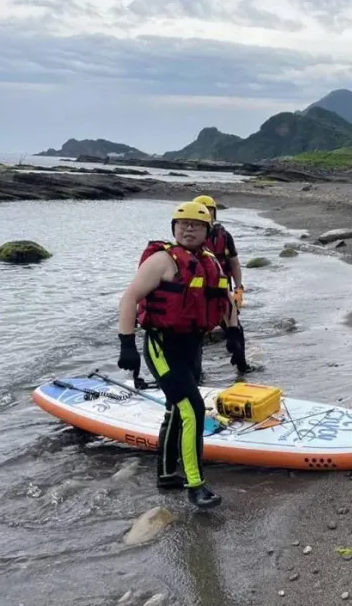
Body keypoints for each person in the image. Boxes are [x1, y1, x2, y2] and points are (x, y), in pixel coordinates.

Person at [116, 201, 229, 509]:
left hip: (192, 347)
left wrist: (232, 332)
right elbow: (129, 298)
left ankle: (166, 475)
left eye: (196, 224)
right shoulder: (162, 260)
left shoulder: (209, 262)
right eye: (182, 224)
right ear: (173, 228)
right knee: (192, 409)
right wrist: (127, 343)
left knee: (176, 410)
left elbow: (222, 300)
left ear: (207, 230)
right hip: (162, 347)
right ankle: (196, 485)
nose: (188, 228)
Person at [192, 194, 253, 375]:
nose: (206, 215)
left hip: (221, 291)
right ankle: (197, 374)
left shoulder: (224, 237)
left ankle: (242, 366)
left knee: (236, 331)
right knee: (194, 338)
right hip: (197, 296)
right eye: (201, 212)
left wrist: (238, 288)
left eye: (208, 211)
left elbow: (234, 263)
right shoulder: (188, 240)